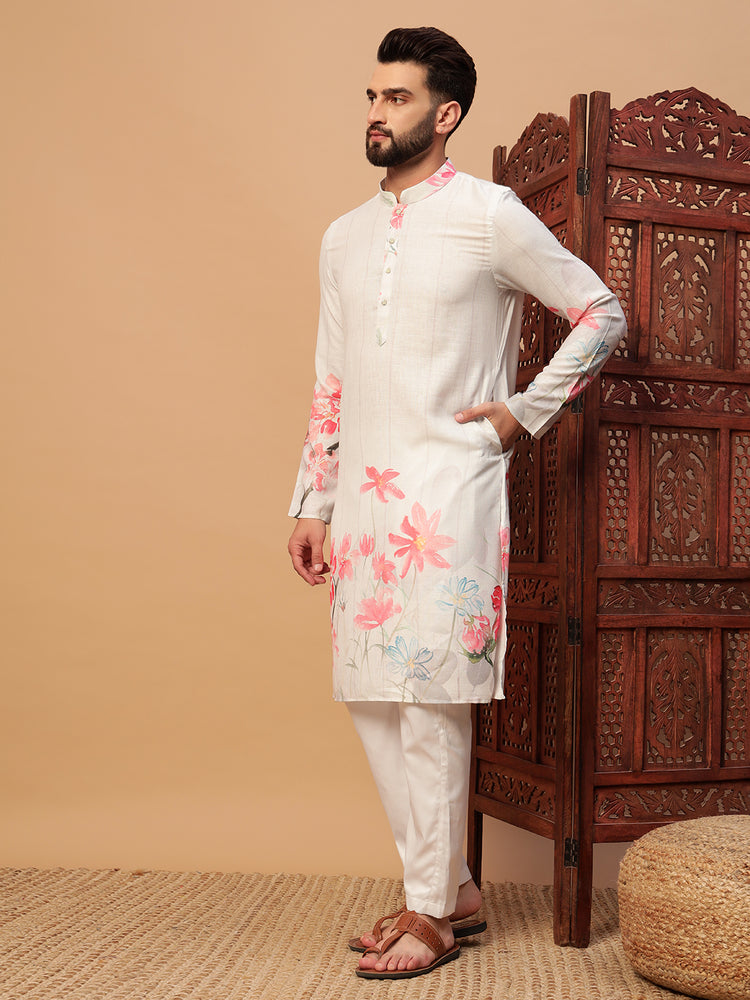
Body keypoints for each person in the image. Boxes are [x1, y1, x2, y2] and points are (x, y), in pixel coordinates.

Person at [287, 26, 626, 981]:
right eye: (370, 96)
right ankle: (457, 886)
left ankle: (432, 910)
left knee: (433, 696)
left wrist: (522, 415)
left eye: (395, 99)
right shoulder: (342, 237)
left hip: (450, 491)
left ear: (446, 115)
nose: (375, 113)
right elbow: (331, 377)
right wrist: (311, 499)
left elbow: (602, 313)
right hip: (360, 499)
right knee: (370, 695)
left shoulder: (491, 214)